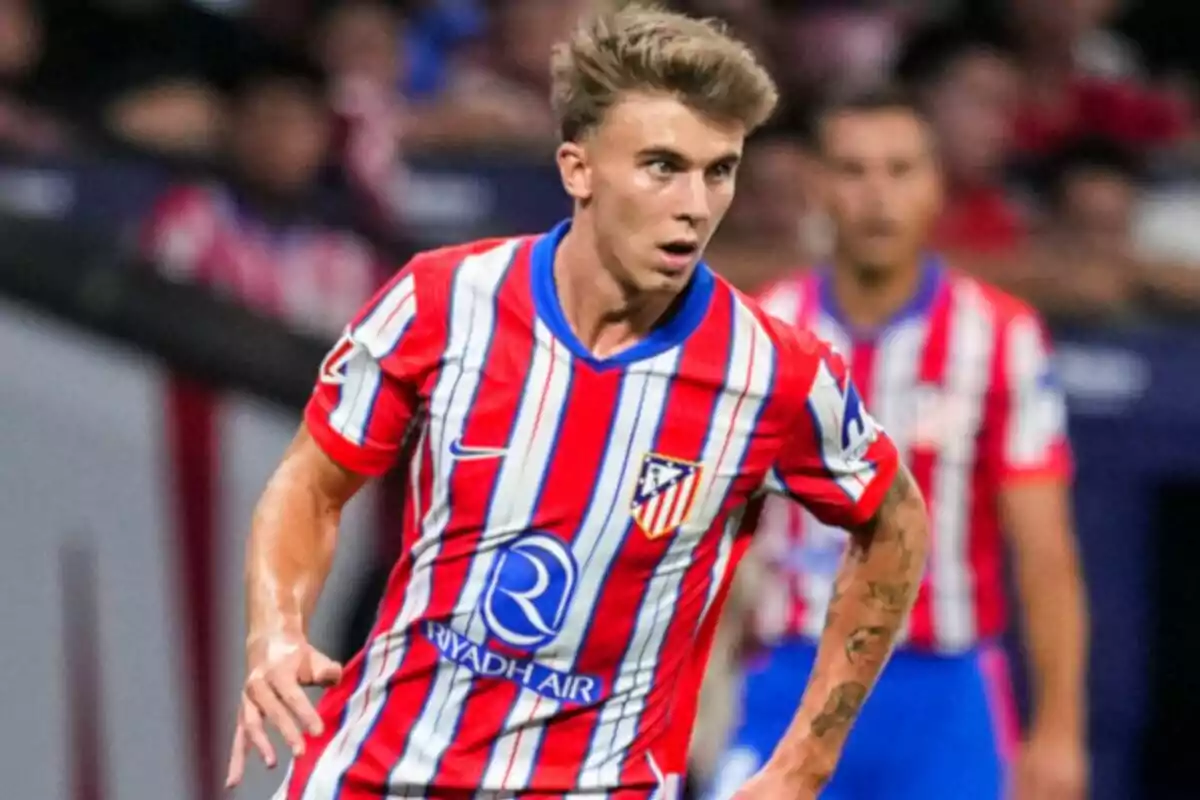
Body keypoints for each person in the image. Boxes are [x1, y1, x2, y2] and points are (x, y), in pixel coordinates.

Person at [223, 4, 932, 799]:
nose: (695, 204)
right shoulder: (441, 301)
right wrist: (278, 631)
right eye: (663, 166)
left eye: (718, 169)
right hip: (377, 773)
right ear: (578, 168)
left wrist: (806, 759)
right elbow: (312, 482)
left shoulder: (774, 372)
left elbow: (894, 522)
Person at [707, 87, 1090, 800]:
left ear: (937, 183)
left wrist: (1060, 731)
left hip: (944, 690)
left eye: (900, 169)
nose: (877, 195)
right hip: (787, 677)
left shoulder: (1002, 339)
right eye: (853, 171)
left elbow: (1045, 552)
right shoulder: (763, 332)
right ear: (818, 185)